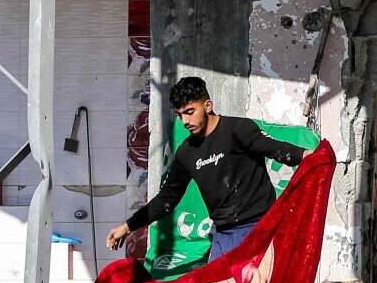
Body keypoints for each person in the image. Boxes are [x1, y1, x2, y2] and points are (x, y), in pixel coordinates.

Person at [107, 76, 312, 260]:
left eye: (190, 112)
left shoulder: (238, 129)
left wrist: (308, 156)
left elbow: (276, 149)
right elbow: (166, 200)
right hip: (224, 235)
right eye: (180, 115)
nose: (185, 121)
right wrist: (128, 227)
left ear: (207, 105)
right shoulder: (186, 153)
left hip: (262, 228)